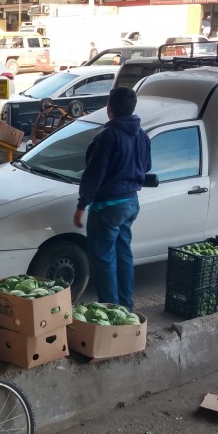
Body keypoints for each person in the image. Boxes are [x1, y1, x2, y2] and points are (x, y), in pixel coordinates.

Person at [73, 87, 151, 311]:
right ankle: (126, 307)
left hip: (108, 207)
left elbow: (95, 172)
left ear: (109, 109)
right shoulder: (142, 135)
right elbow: (147, 166)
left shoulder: (108, 136)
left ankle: (111, 310)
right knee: (123, 253)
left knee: (105, 259)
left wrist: (81, 205)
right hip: (131, 203)